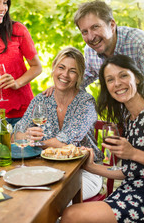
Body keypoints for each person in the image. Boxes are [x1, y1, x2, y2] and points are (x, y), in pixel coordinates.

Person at [44, 0, 144, 150]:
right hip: (129, 124)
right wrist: (58, 87)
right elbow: (81, 80)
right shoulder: (90, 51)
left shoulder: (140, 43)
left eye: (95, 27)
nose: (91, 37)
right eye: (85, 32)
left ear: (111, 24)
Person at [61, 55, 144, 223]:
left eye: (123, 75)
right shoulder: (130, 117)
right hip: (132, 189)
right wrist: (90, 166)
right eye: (110, 79)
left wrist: (133, 153)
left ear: (136, 77)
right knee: (69, 212)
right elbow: (130, 171)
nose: (117, 83)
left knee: (72, 215)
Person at [16, 47, 103, 200]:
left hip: (85, 171)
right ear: (54, 68)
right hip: (47, 169)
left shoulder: (86, 103)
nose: (65, 75)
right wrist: (26, 135)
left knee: (52, 200)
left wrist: (34, 143)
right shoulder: (41, 100)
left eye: (72, 71)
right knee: (23, 194)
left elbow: (64, 143)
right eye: (61, 67)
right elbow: (16, 136)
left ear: (79, 76)